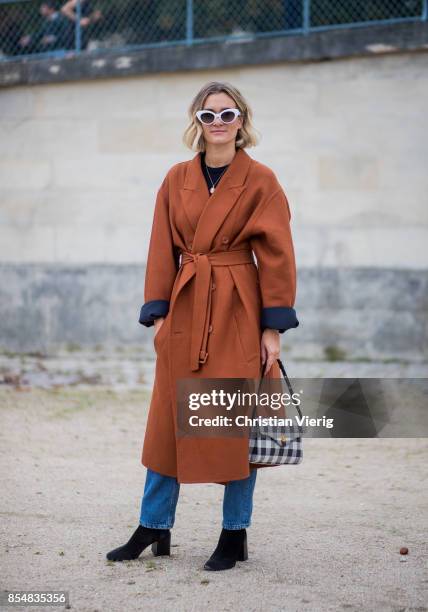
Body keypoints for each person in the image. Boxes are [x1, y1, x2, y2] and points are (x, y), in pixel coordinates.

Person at [106, 81, 299, 571]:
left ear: (242, 120)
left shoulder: (262, 180)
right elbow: (159, 246)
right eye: (209, 115)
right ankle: (153, 524)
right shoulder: (175, 178)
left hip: (238, 304)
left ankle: (234, 535)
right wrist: (159, 312)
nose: (218, 123)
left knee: (232, 422)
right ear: (197, 121)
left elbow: (276, 255)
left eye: (227, 114)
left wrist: (271, 327)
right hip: (186, 303)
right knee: (168, 419)